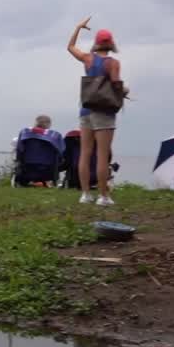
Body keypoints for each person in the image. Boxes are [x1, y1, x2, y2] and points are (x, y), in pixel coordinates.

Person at [67, 17, 123, 206]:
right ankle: (103, 196)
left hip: (86, 110)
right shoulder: (112, 63)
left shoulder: (88, 59)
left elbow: (71, 47)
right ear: (111, 43)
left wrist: (78, 28)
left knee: (85, 153)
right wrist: (126, 91)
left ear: (96, 42)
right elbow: (116, 85)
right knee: (102, 154)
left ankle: (85, 194)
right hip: (104, 112)